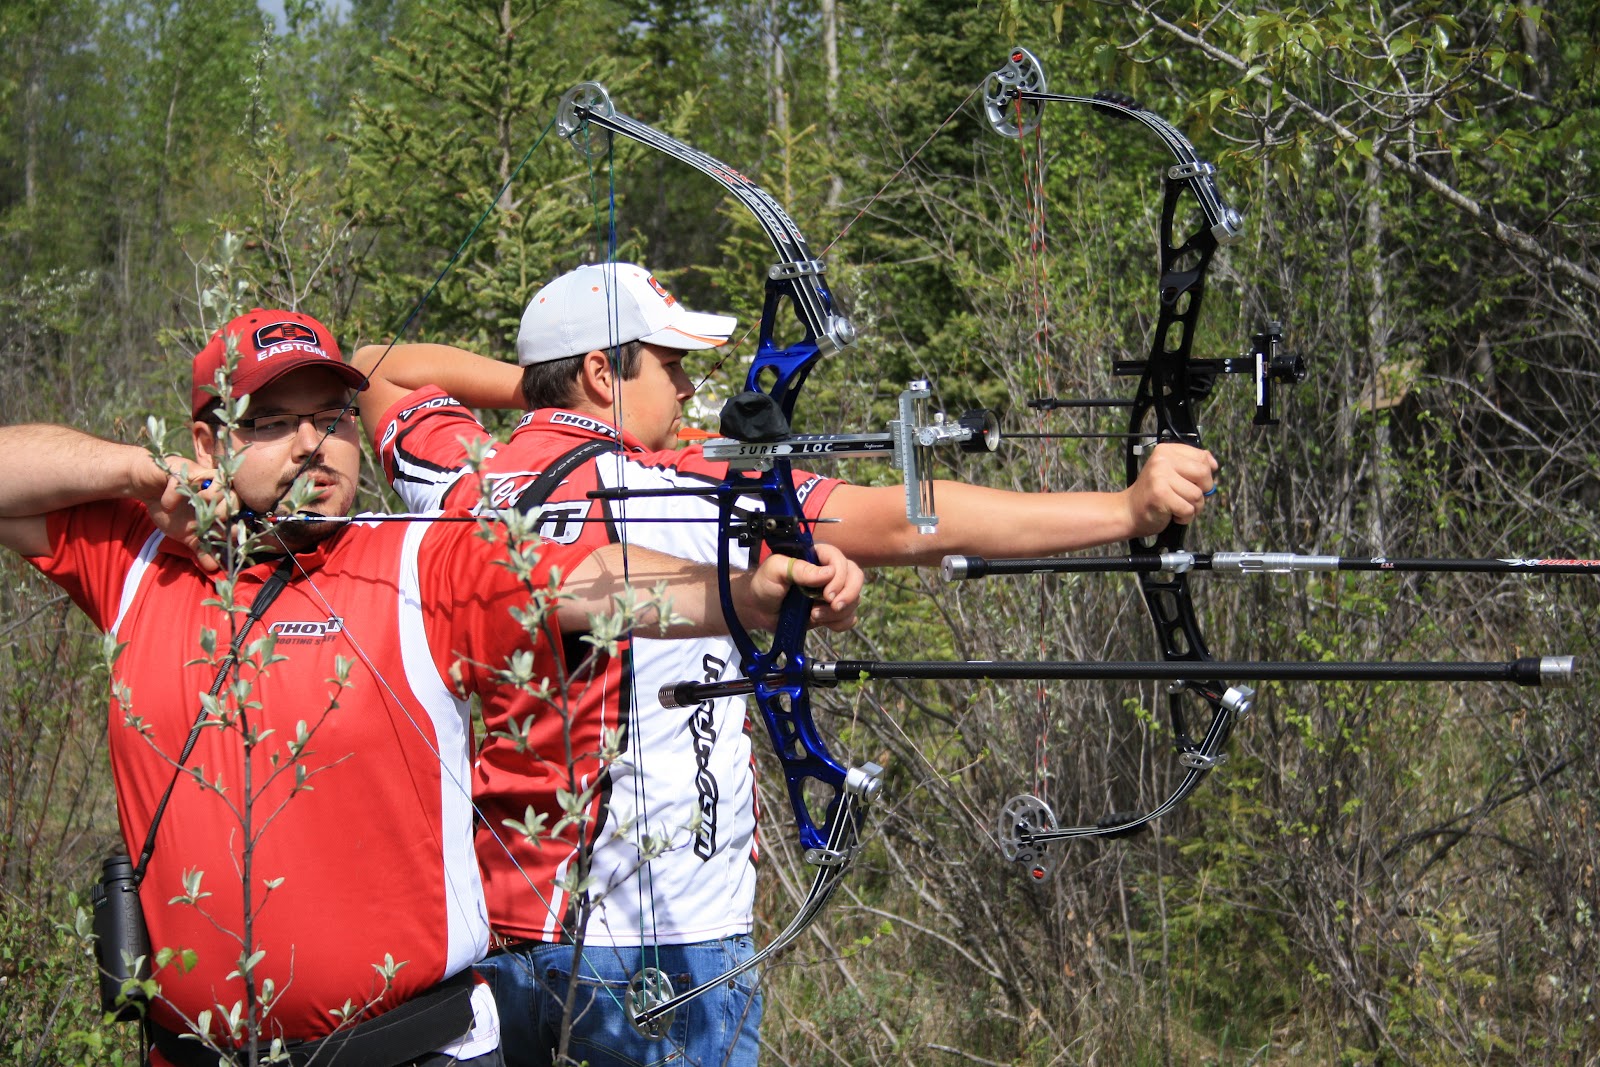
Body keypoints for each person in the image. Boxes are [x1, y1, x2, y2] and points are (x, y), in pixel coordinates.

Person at [354, 262, 1222, 1067]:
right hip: (661, 946)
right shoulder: (675, 487)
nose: (687, 388)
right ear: (600, 370)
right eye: (669, 365)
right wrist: (1128, 508)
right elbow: (913, 521)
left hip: (499, 932)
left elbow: (375, 368)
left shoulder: (465, 483)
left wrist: (543, 393)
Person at [0, 307, 860, 1067]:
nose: (313, 444)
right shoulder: (141, 563)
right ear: (208, 443)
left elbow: (585, 580)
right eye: (273, 422)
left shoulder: (417, 558)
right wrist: (138, 474)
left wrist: (747, 593)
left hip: (413, 1048)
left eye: (333, 417)